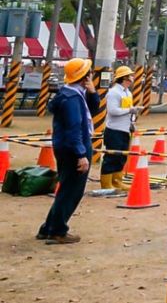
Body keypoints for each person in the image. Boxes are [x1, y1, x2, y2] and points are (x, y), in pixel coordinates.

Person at [38, 58, 98, 244]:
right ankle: (58, 230)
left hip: (67, 146)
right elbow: (74, 128)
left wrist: (92, 93)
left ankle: (48, 228)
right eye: (89, 73)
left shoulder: (70, 93)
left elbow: (92, 111)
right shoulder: (72, 99)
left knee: (66, 188)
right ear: (84, 77)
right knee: (72, 191)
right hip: (74, 148)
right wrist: (81, 154)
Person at [100, 65, 148, 193]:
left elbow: (127, 110)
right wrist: (130, 110)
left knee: (122, 157)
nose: (132, 78)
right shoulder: (113, 92)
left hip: (125, 129)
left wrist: (132, 119)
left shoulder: (127, 93)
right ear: (124, 78)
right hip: (114, 130)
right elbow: (113, 111)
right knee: (112, 156)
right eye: (130, 76)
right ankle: (106, 183)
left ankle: (117, 181)